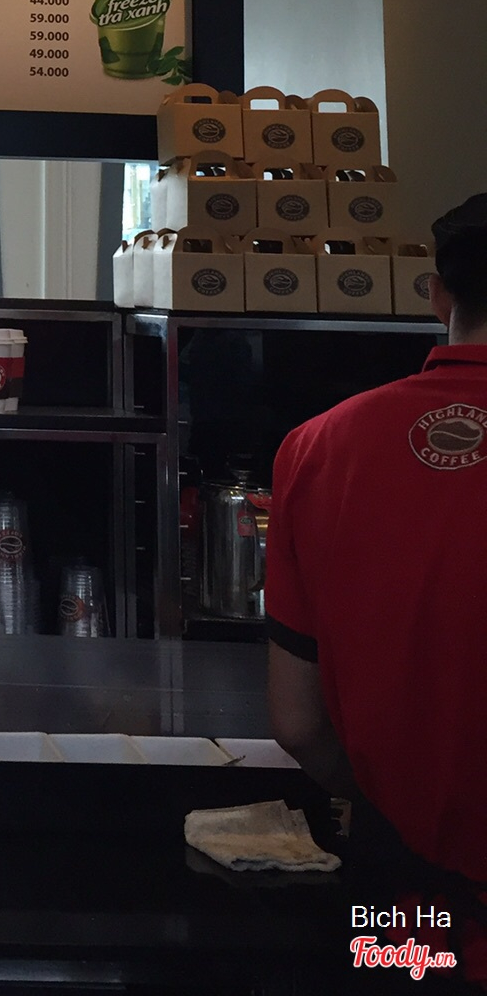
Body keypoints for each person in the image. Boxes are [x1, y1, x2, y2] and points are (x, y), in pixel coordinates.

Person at [266, 194, 487, 985]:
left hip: (403, 894)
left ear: (438, 295)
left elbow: (297, 723)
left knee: (401, 976)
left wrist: (389, 803)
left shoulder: (317, 446)